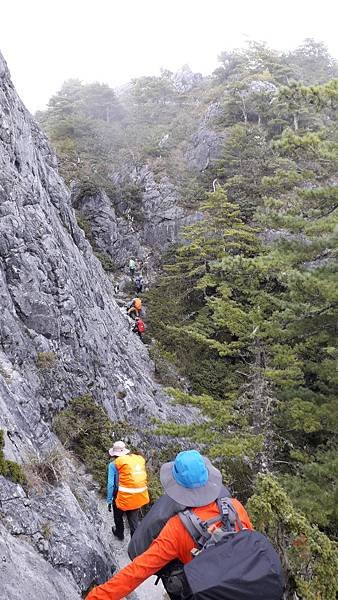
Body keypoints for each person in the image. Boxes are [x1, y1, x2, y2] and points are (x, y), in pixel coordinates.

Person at [87, 450, 253, 600]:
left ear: (177, 485)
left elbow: (137, 571)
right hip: (244, 585)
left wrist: (96, 597)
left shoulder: (177, 528)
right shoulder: (234, 507)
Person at [107, 441, 149, 541]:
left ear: (114, 454)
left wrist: (109, 500)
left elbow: (111, 484)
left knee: (118, 516)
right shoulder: (134, 462)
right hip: (136, 495)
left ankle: (119, 533)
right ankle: (135, 545)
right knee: (133, 520)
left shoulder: (113, 465)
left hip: (120, 495)